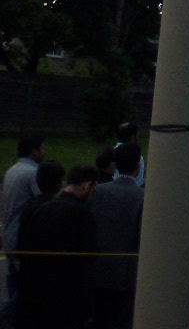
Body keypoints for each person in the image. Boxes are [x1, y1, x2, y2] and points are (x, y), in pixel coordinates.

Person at [13, 164, 98, 329]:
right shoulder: (82, 213)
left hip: (37, 293)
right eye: (94, 188)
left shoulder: (40, 209)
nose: (94, 192)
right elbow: (90, 253)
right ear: (87, 185)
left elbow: (22, 249)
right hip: (68, 296)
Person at [88, 142, 144, 328]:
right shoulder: (143, 197)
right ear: (138, 165)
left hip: (98, 272)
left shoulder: (98, 192)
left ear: (116, 164)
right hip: (128, 275)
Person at [2, 132, 45, 317]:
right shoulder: (32, 173)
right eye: (42, 148)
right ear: (34, 151)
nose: (44, 151)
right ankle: (6, 317)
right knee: (27, 288)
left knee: (14, 281)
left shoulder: (12, 170)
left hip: (9, 234)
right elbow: (43, 200)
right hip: (23, 237)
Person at [113, 123, 145, 187]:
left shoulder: (111, 153)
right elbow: (139, 182)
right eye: (137, 135)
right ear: (132, 137)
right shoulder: (137, 156)